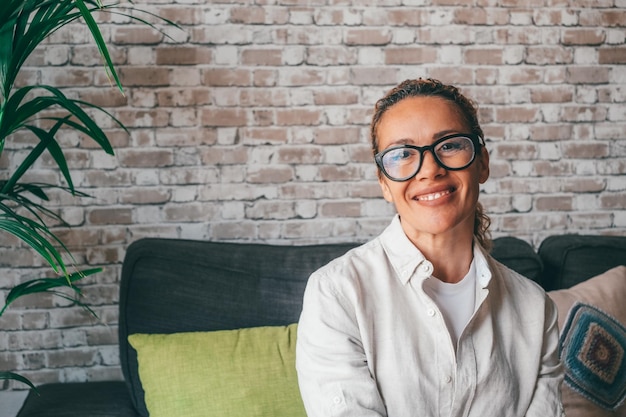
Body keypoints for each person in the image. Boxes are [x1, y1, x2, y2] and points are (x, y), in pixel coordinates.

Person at [295, 78, 563, 417]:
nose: (431, 169)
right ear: (384, 184)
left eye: (449, 145)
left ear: (482, 163)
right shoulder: (337, 292)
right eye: (403, 154)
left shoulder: (536, 309)